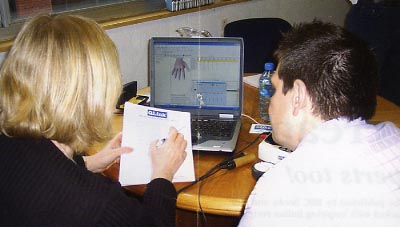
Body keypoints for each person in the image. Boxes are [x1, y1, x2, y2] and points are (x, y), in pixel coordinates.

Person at [0, 14, 187, 227]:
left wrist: (87, 163)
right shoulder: (98, 204)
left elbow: (42, 176)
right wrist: (163, 173)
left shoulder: (8, 141)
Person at [238, 21, 400, 227]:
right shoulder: (393, 136)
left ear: (298, 96)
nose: (271, 101)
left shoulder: (281, 191)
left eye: (275, 89)